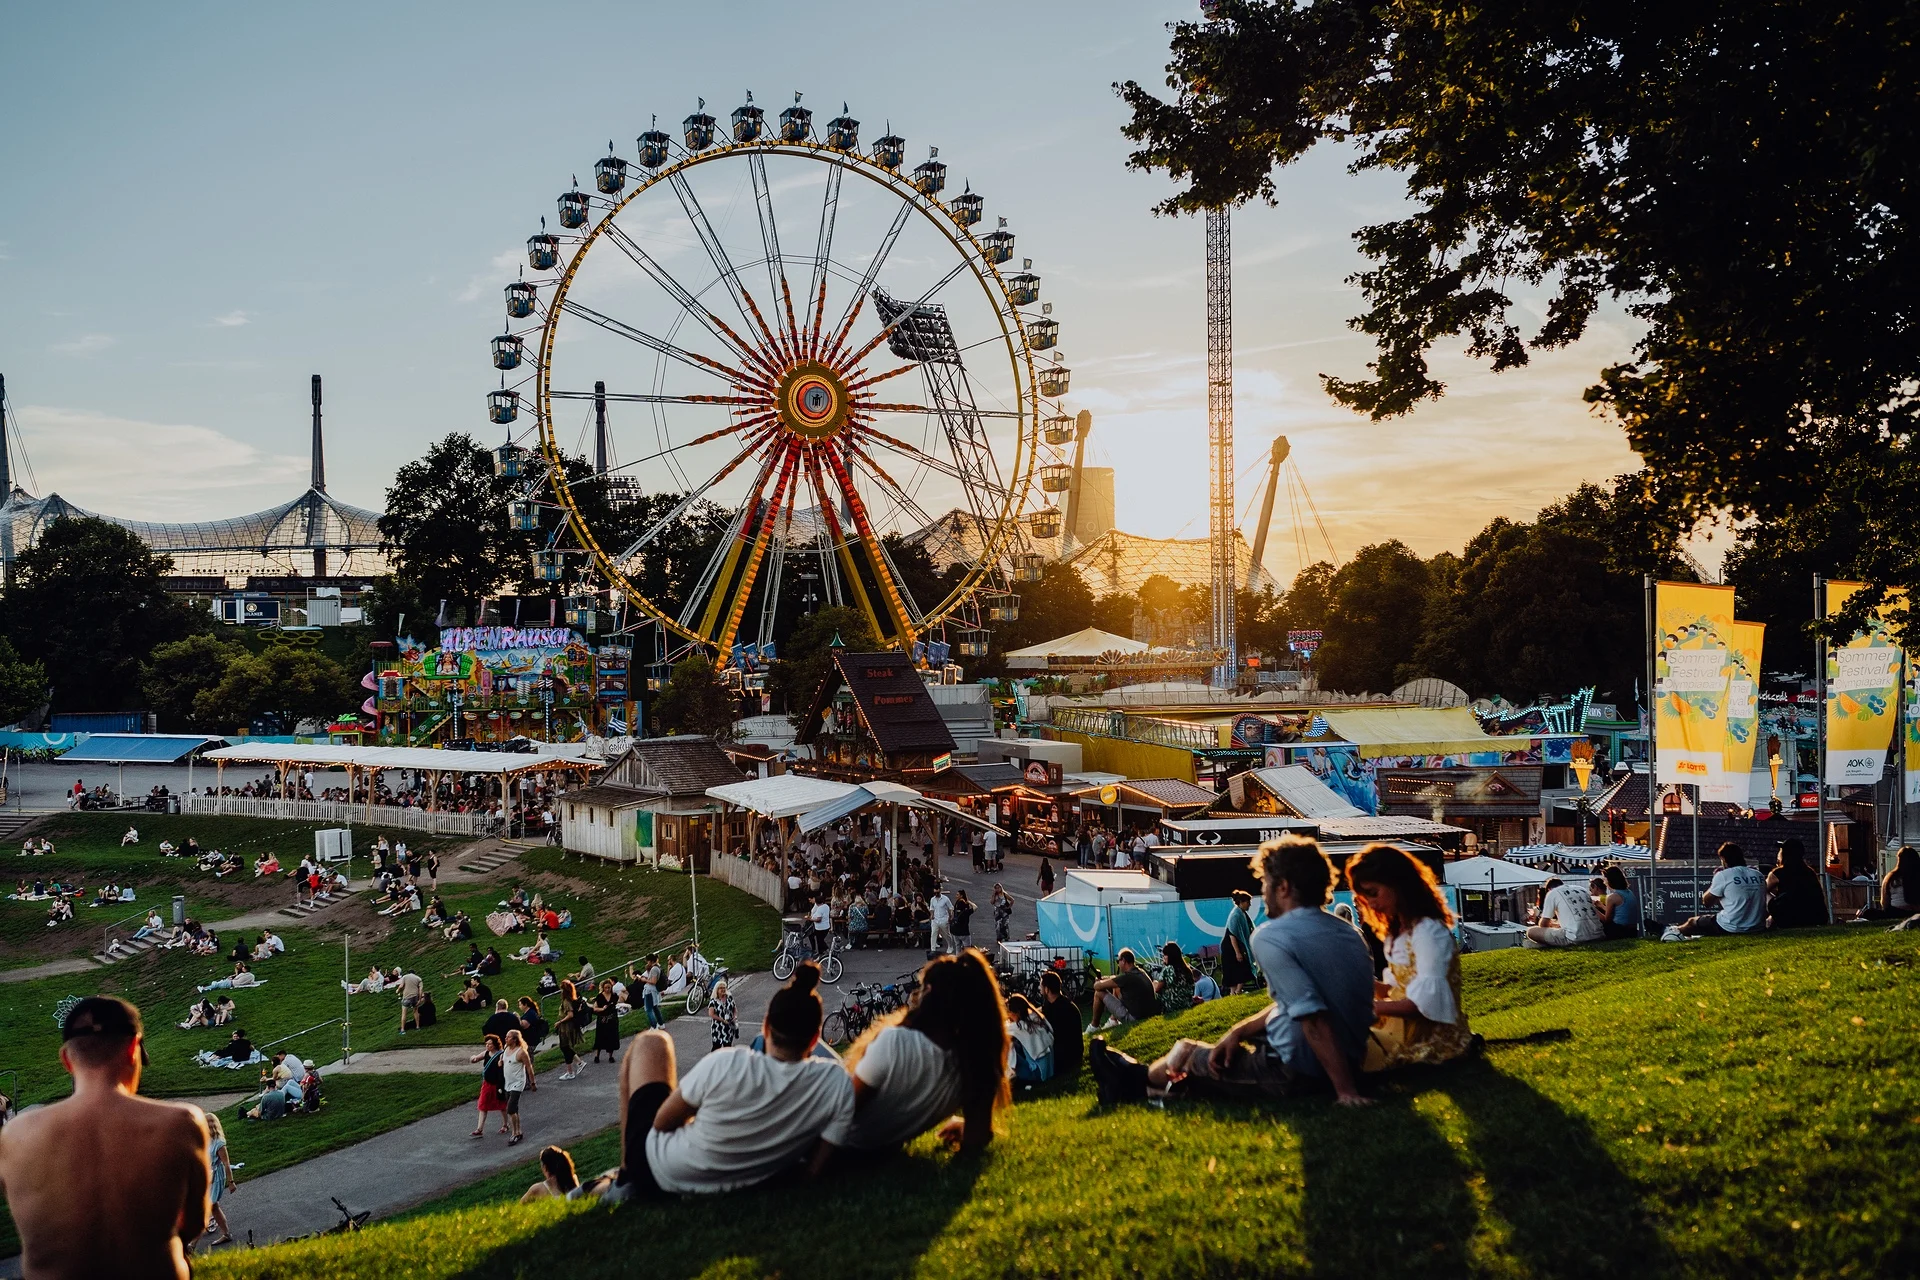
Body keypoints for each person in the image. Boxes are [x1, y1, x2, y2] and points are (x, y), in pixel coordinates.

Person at [1141, 836, 1375, 1106]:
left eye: (1265, 883)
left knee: (1183, 1052)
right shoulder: (1350, 934)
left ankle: (1133, 1079)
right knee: (1209, 1054)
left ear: (1283, 887)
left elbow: (1313, 1017)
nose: (1263, 892)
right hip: (1349, 1061)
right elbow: (1303, 1002)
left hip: (1292, 1071)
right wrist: (1238, 1031)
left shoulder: (1272, 936)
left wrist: (1345, 1091)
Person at [0, 996, 211, 1279]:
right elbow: (195, 1222)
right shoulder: (182, 1123)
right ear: (133, 1048)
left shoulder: (15, 1135)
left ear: (66, 1059)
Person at [611, 962, 854, 1197]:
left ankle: (625, 1177)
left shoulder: (727, 1062)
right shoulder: (837, 1083)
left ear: (766, 1027)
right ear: (814, 1038)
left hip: (661, 1170)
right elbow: (813, 1170)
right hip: (749, 1179)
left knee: (652, 1042)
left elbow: (662, 1122)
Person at [840, 950, 1009, 1152]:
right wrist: (966, 1127)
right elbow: (979, 1137)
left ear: (928, 991)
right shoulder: (974, 1063)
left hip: (836, 1143)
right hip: (881, 1147)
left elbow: (842, 1109)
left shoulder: (896, 1042)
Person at [1344, 843, 1476, 1070]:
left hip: (1428, 1039)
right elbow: (1398, 991)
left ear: (1399, 885)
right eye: (1365, 897)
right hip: (1401, 1028)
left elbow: (1423, 1005)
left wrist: (1370, 1007)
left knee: (1339, 1045)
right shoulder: (1398, 933)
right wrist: (1361, 984)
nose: (1371, 903)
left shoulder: (1429, 931)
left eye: (1373, 893)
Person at [1671, 843, 1767, 938]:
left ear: (1723, 859)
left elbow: (1707, 902)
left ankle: (1673, 932)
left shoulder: (1723, 875)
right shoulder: (1758, 874)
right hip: (1757, 926)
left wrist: (1715, 884)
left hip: (1731, 926)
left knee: (1692, 922)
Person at [1087, 949, 1159, 1030]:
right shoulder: (1141, 972)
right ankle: (1113, 1020)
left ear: (1123, 961)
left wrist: (1097, 982)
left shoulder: (1126, 977)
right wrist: (1105, 979)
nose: (1118, 964)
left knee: (1099, 993)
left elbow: (1097, 987)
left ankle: (1094, 1026)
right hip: (1148, 1014)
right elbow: (1116, 978)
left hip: (1134, 1018)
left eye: (1118, 961)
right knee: (1117, 986)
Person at [1526, 876, 1607, 948]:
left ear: (1548, 889)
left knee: (1531, 931)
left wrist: (1553, 925)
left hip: (1576, 938)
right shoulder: (1581, 889)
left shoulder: (1552, 893)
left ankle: (1545, 944)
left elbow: (1543, 925)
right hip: (1598, 935)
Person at [1766, 839, 1828, 929]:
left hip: (1790, 918)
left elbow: (1763, 889)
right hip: (1815, 917)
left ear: (1784, 853)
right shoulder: (1810, 872)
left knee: (1762, 892)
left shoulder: (1778, 873)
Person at [1038, 969, 1083, 1082]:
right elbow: (1041, 1010)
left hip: (1068, 1056)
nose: (1039, 989)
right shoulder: (1054, 1002)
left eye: (1041, 986)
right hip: (1069, 1051)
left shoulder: (1061, 1009)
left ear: (1047, 989)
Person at [204, 1112, 235, 1245]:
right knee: (212, 1205)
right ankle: (224, 1232)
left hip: (217, 1176)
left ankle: (226, 1234)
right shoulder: (206, 1140)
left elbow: (226, 1163)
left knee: (212, 1205)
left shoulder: (219, 1143)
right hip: (208, 1175)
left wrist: (231, 1182)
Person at [501, 1028, 535, 1146]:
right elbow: (504, 1059)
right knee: (514, 1110)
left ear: (515, 1040)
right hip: (508, 1083)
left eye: (508, 1037)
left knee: (510, 1109)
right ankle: (519, 1131)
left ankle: (514, 1133)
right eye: (506, 1036)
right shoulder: (506, 1048)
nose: (506, 1038)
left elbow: (529, 1067)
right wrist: (500, 1061)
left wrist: (533, 1083)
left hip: (518, 1083)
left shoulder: (521, 1052)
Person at [1866, 845, 1920, 920]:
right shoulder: (1917, 877)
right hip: (1914, 913)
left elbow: (1884, 902)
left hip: (1894, 912)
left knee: (1870, 912)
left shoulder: (1890, 878)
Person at [470, 1034, 510, 1137]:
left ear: (495, 1044)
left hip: (498, 1085)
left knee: (502, 1106)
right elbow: (476, 1058)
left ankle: (505, 1125)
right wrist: (473, 1058)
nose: (487, 1046)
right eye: (486, 1044)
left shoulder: (501, 1054)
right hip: (487, 1084)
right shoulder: (486, 1053)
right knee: (483, 1105)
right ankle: (479, 1129)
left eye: (490, 1044)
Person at [1221, 889, 1257, 994]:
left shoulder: (1242, 913)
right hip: (1231, 947)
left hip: (1236, 945)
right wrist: (1238, 952)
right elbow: (1232, 934)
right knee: (1240, 968)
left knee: (1238, 969)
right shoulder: (1236, 915)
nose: (1249, 905)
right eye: (1248, 902)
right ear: (1242, 902)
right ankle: (1237, 991)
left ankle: (1235, 993)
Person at [556, 980, 588, 1080]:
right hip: (568, 1027)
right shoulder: (571, 999)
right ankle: (578, 1064)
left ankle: (571, 1071)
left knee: (565, 1047)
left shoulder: (566, 1001)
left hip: (567, 1028)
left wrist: (560, 1022)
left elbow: (570, 1015)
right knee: (566, 1047)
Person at [1154, 942, 1197, 1015]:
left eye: (1165, 955)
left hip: (1171, 1005)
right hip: (1186, 1003)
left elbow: (1157, 989)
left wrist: (1154, 984)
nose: (1163, 957)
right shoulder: (1187, 969)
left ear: (1170, 956)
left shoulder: (1168, 969)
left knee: (1154, 985)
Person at [1599, 864, 1639, 940]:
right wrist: (1601, 906)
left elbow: (1606, 920)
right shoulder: (1629, 892)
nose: (1604, 882)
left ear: (1610, 880)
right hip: (1632, 931)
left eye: (1605, 879)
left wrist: (1593, 908)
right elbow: (1619, 911)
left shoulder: (1612, 897)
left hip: (1619, 930)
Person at [591, 978, 622, 1063]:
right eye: (606, 988)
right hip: (602, 1019)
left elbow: (618, 1003)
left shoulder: (614, 996)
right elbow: (595, 1008)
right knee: (600, 1037)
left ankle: (610, 1056)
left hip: (612, 1019)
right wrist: (602, 1009)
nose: (607, 989)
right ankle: (597, 1055)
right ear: (603, 988)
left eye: (609, 987)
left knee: (612, 1037)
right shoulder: (600, 996)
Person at [708, 978, 739, 1049]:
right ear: (717, 990)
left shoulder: (729, 998)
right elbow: (711, 1014)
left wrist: (735, 1016)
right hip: (717, 1027)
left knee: (728, 1046)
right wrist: (722, 1020)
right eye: (721, 988)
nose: (723, 990)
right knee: (716, 1047)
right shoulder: (713, 1001)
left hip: (728, 1027)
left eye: (724, 988)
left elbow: (734, 1009)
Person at [928, 885, 955, 957]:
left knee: (946, 934)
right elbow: (931, 908)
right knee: (933, 934)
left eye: (937, 893)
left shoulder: (945, 899)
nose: (936, 894)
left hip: (944, 919)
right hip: (935, 919)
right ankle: (933, 949)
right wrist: (932, 915)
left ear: (940, 890)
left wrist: (951, 916)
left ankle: (950, 946)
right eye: (935, 893)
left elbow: (951, 907)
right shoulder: (932, 899)